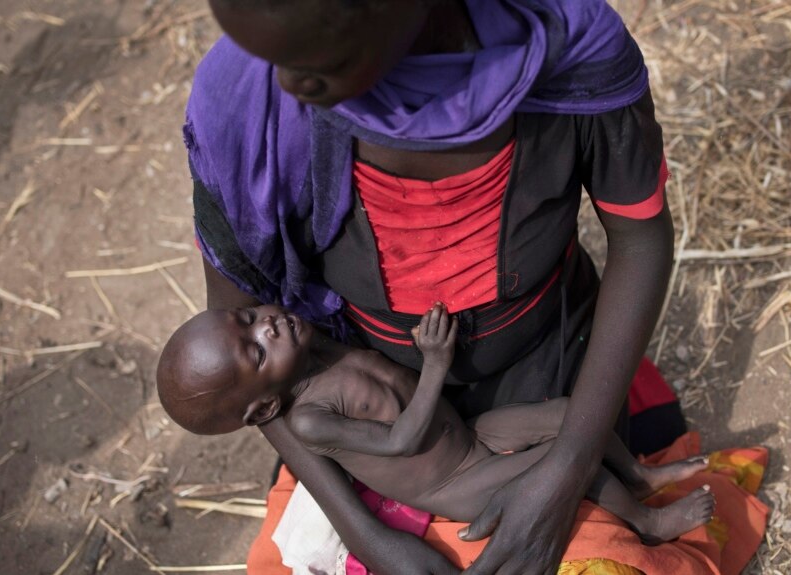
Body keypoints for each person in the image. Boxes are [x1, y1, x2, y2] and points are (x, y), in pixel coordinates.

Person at [183, 0, 678, 572]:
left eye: (315, 54)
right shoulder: (247, 100)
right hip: (376, 427)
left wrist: (570, 464)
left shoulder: (565, 47)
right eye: (266, 54)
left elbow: (640, 241)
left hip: (554, 374)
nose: (286, 82)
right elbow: (247, 372)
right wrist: (372, 538)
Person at [157, 303, 715, 545]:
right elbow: (403, 438)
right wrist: (437, 362)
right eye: (256, 352)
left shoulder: (311, 349)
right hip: (454, 483)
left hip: (470, 435)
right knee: (567, 462)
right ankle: (646, 522)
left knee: (572, 415)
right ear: (263, 411)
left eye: (249, 319)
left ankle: (639, 477)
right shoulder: (308, 421)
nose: (268, 326)